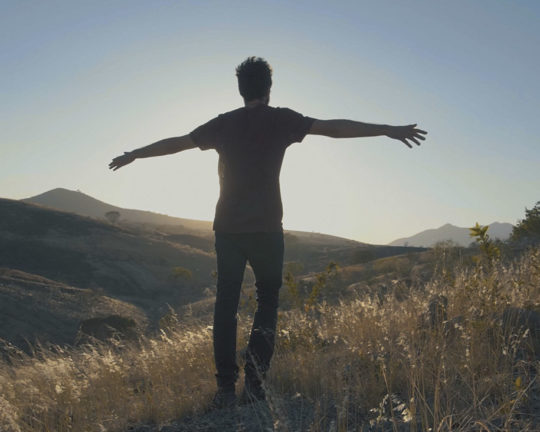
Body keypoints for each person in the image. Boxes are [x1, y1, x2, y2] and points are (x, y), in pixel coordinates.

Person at [109, 56, 427, 408]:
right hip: (267, 230)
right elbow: (334, 128)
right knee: (267, 302)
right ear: (269, 89)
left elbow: (178, 143)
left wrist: (135, 154)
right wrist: (386, 129)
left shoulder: (223, 123)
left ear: (241, 90)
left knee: (226, 306)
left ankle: (225, 389)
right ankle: (255, 385)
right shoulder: (281, 120)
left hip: (228, 229)